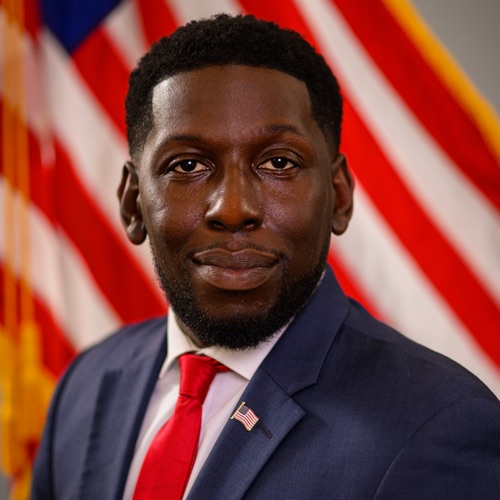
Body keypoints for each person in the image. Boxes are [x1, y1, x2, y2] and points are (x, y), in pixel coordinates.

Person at [32, 13, 500, 499]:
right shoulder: (84, 386)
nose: (233, 209)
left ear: (339, 197)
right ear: (133, 204)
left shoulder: (436, 427)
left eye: (279, 162)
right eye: (188, 165)